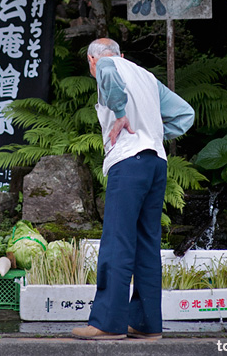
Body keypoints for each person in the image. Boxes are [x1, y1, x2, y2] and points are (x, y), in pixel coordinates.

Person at [72, 37, 195, 341]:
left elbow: (109, 70)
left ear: (91, 61)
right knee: (147, 244)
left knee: (118, 241)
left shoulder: (105, 65)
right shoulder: (148, 77)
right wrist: (152, 133)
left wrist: (121, 113)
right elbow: (185, 114)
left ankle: (108, 323)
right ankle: (145, 322)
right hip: (156, 163)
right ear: (123, 54)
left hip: (128, 162)